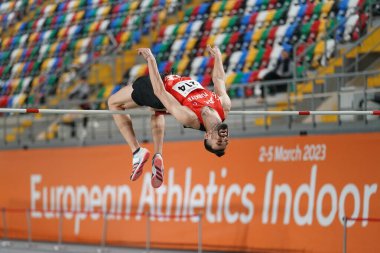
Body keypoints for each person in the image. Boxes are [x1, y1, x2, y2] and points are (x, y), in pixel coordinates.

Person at [108, 45, 231, 188]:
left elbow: (159, 92)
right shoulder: (224, 106)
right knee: (157, 111)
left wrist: (151, 60)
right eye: (225, 142)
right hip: (171, 84)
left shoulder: (190, 117)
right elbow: (219, 79)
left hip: (161, 88)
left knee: (113, 103)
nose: (223, 139)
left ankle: (136, 151)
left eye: (218, 142)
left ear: (208, 135)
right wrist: (218, 57)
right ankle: (158, 154)